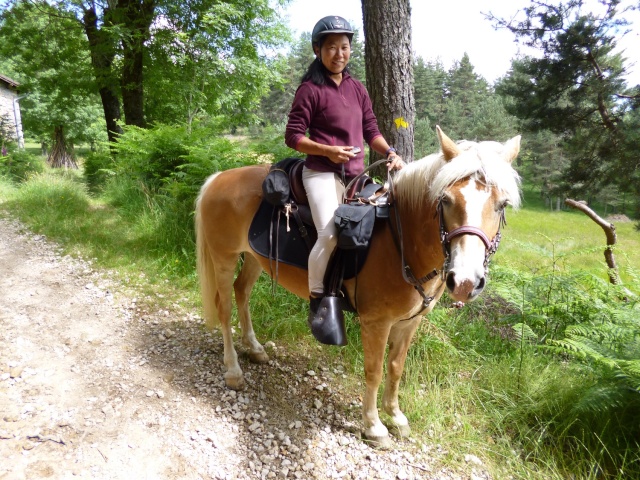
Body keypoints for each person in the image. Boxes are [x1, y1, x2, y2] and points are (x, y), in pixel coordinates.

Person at [284, 15, 404, 345]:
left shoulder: (357, 89)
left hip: (356, 177)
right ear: (318, 50)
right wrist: (328, 150)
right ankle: (319, 299)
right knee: (330, 233)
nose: (339, 53)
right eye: (332, 47)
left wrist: (391, 151)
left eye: (345, 47)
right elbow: (293, 136)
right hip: (321, 173)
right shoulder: (310, 90)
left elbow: (372, 132)